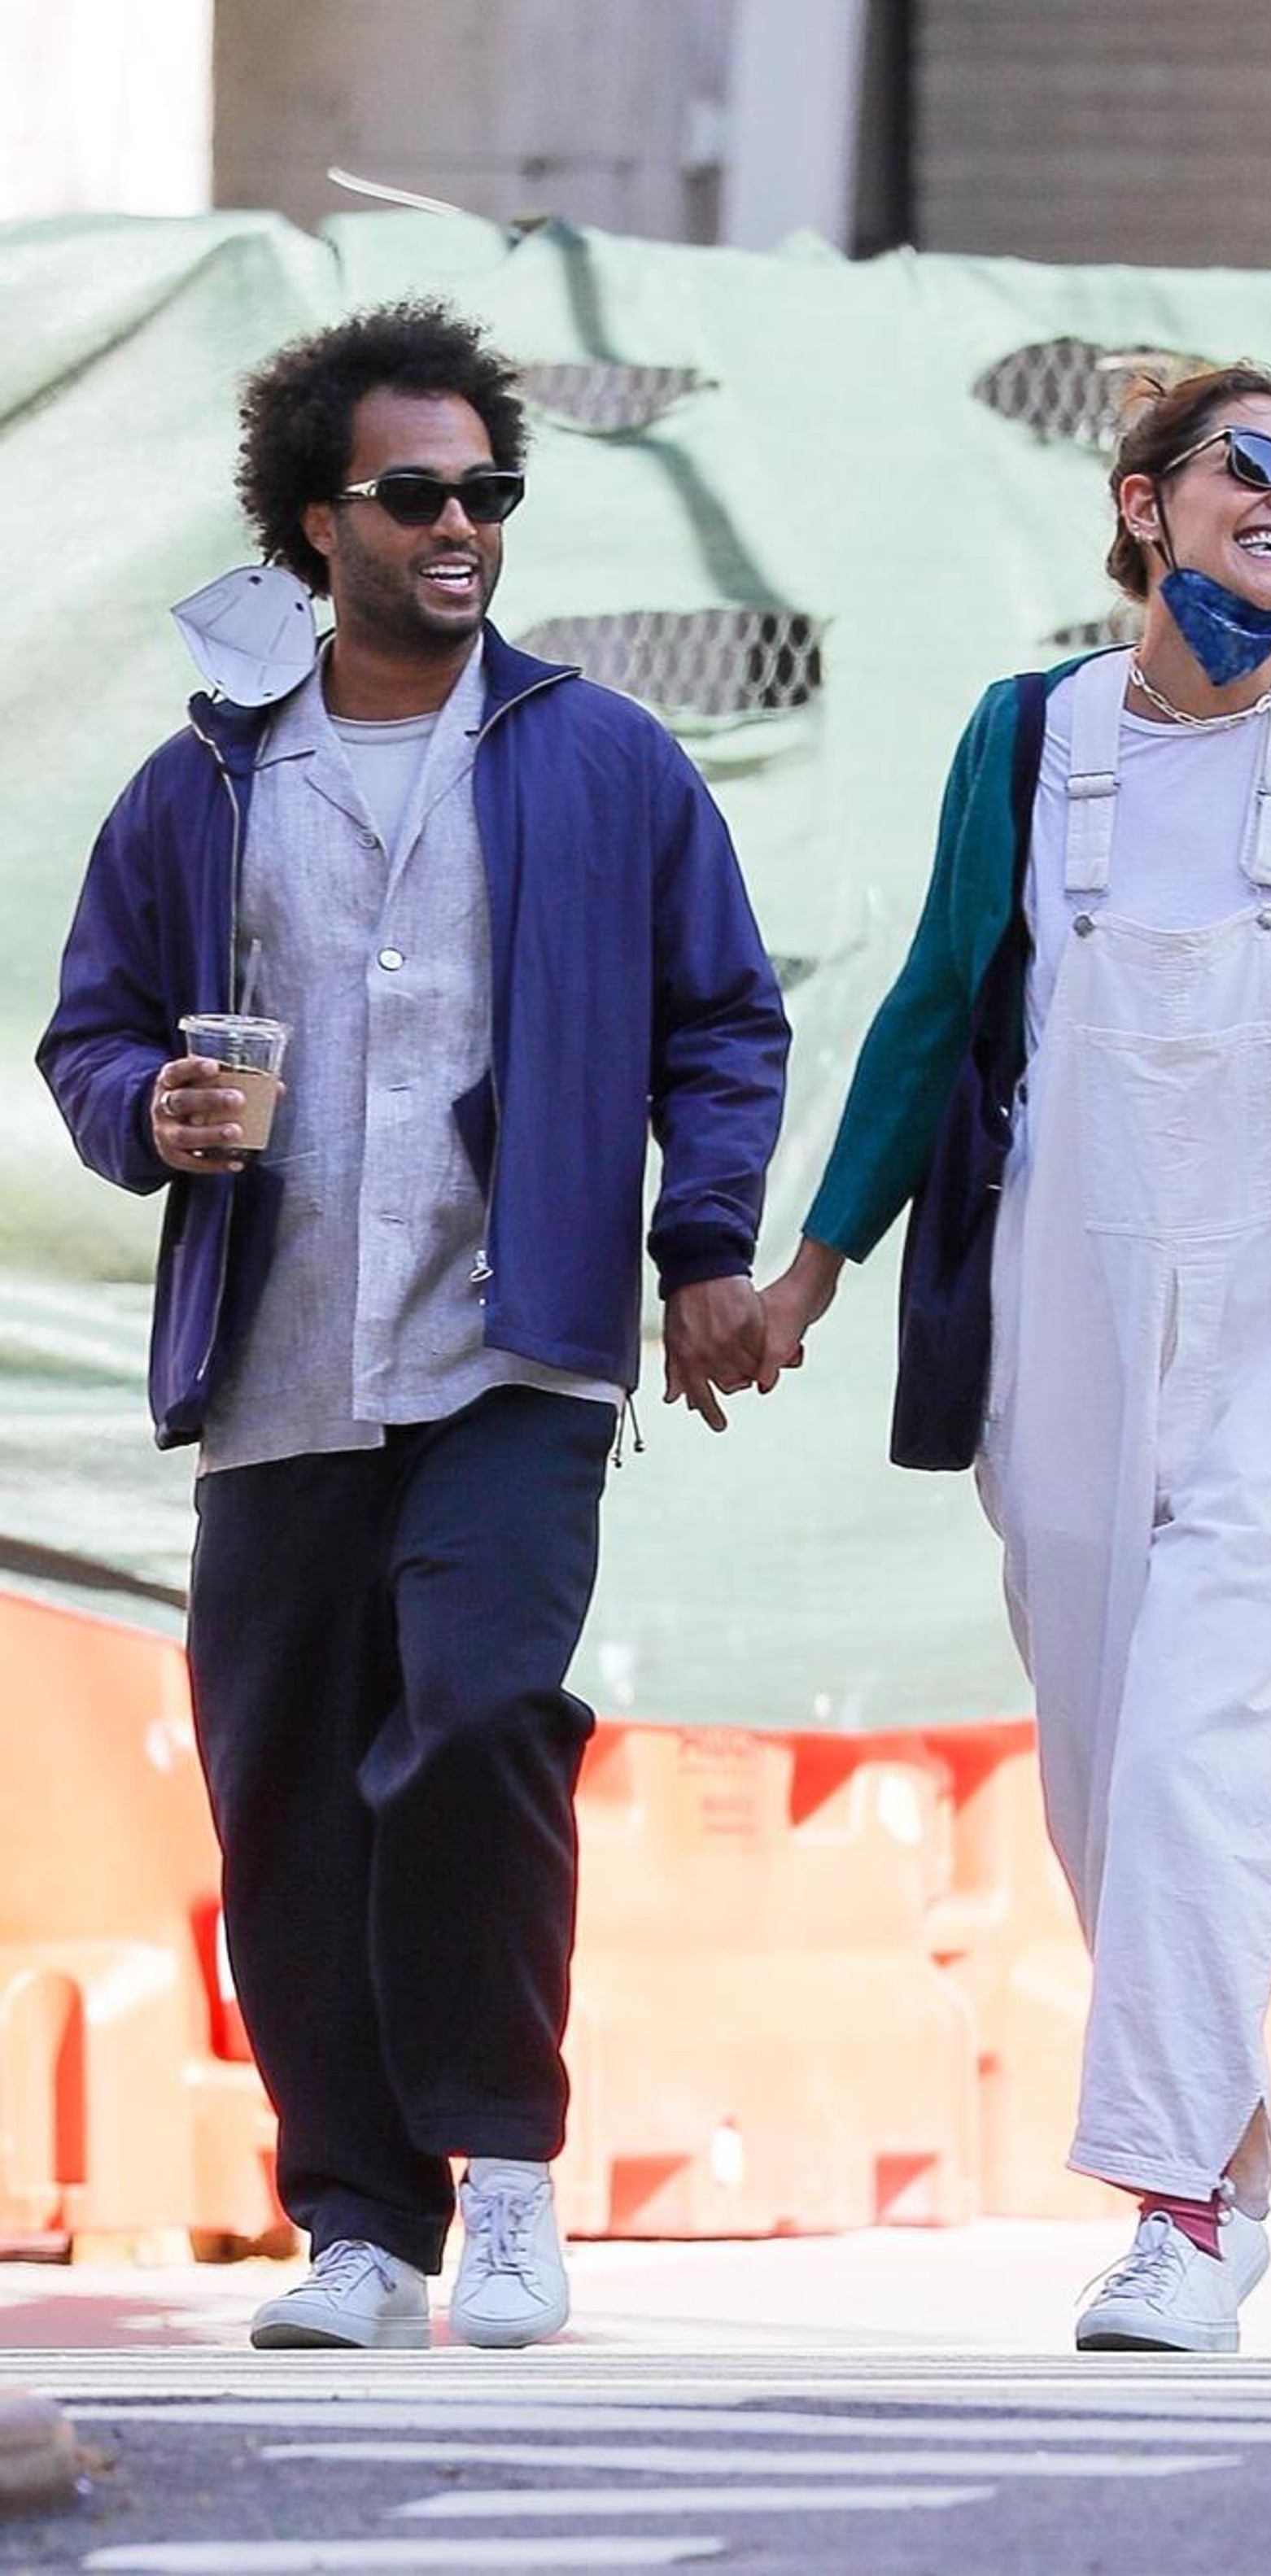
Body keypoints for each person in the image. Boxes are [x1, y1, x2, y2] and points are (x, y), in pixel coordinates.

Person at [37, 299, 788, 2351]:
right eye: (415, 494)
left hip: (511, 1352)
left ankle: (505, 2161)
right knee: (284, 1788)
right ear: (316, 520)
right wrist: (147, 1108)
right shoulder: (205, 782)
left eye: (487, 492)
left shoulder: (602, 760)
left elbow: (721, 1020)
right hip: (278, 1365)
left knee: (472, 1711)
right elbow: (92, 1030)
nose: (460, 526)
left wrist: (702, 1245)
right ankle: (361, 2225)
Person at [758, 364, 1271, 2354]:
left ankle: (1163, 2215)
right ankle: (1222, 2156)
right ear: (1145, 504)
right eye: (1249, 461)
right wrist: (811, 1269)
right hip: (1059, 1312)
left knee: (1198, 1753)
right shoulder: (1023, 740)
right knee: (1099, 1766)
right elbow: (932, 1006)